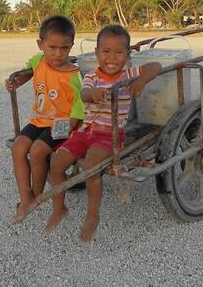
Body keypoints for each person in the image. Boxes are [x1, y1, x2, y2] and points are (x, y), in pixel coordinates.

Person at [45, 24, 161, 242]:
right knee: (56, 164)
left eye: (119, 52)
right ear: (97, 53)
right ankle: (59, 208)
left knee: (90, 166)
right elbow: (85, 93)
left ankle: (92, 215)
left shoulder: (128, 74)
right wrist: (93, 94)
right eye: (106, 51)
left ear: (128, 55)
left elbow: (155, 65)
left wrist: (142, 80)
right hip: (84, 131)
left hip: (110, 134)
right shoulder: (91, 76)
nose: (112, 57)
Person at [5, 15, 84, 223]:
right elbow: (27, 73)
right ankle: (26, 198)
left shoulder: (74, 74)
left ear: (71, 46)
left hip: (62, 123)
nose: (58, 54)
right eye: (52, 47)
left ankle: (36, 196)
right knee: (18, 147)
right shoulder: (38, 61)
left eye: (65, 48)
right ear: (40, 45)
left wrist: (72, 125)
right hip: (40, 119)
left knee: (37, 152)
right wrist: (16, 82)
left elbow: (80, 103)